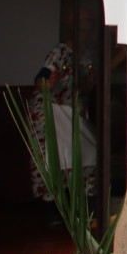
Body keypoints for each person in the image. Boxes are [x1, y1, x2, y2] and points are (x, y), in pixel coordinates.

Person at [29, 42, 97, 216]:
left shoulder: (88, 53)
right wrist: (44, 83)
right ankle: (51, 209)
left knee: (89, 152)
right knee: (52, 158)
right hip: (50, 110)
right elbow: (43, 75)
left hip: (73, 110)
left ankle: (86, 206)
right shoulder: (59, 52)